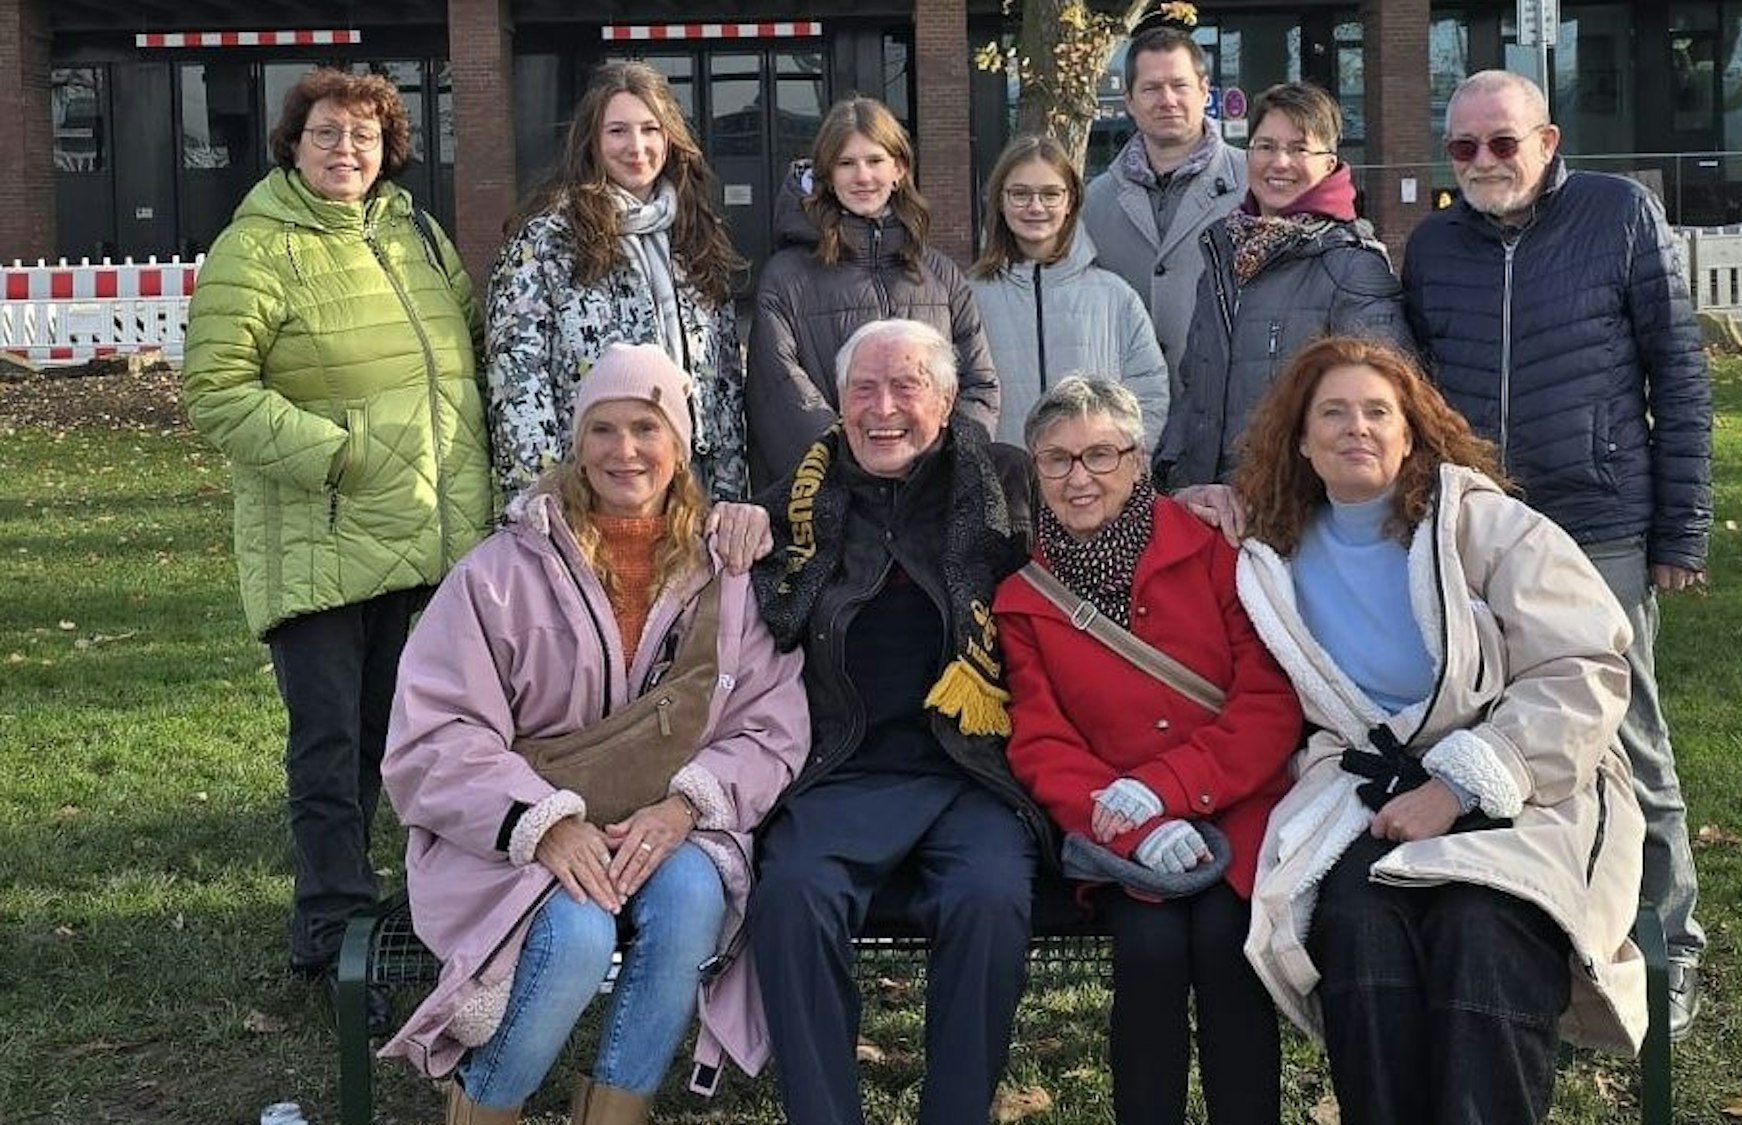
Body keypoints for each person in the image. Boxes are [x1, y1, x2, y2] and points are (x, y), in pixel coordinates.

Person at [378, 344, 810, 1124]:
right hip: (511, 830)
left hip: (670, 820)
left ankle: (613, 1113)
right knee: (576, 936)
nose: (625, 450)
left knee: (692, 898)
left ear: (679, 445)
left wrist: (685, 806)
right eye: (602, 429)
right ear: (577, 445)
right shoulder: (500, 572)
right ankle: (483, 1105)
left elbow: (770, 723)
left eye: (647, 428)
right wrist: (542, 824)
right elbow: (432, 734)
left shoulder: (726, 571)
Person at [1231, 337, 1648, 1124]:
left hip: (1525, 780)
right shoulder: (1271, 550)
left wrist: (1460, 783)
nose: (1357, 427)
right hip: (1370, 788)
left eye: (1377, 411)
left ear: (1411, 432)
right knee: (1357, 925)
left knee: (1482, 927)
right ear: (1300, 439)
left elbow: (1584, 664)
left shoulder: (1483, 525)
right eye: (1333, 412)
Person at [1402, 68, 1713, 1038]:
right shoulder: (1433, 247)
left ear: (1547, 141)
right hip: (1481, 529)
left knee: (1626, 733)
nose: (1484, 161)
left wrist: (1681, 529)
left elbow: (1678, 375)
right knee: (1498, 728)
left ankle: (1670, 943)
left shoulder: (1617, 216)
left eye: (1503, 142)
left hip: (1597, 520)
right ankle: (1542, 929)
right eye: (1463, 147)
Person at [180, 67, 490, 998]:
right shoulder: (256, 246)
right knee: (328, 745)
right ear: (294, 143)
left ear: (387, 148)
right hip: (318, 534)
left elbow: (468, 349)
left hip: (419, 532)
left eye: (363, 135)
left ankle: (390, 907)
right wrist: (337, 454)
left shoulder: (415, 233)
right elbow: (217, 390)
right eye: (326, 133)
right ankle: (330, 929)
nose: (345, 150)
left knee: (394, 737)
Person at [746, 318, 1046, 1125]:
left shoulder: (1006, 485)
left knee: (989, 897)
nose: (883, 408)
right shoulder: (792, 501)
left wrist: (1210, 498)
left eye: (906, 386)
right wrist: (726, 524)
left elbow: (1110, 513)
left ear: (945, 402)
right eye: (863, 389)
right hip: (841, 768)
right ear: (839, 402)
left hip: (969, 771)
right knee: (791, 897)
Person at [994, 376, 1300, 1125]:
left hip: (1234, 802)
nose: (1079, 477)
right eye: (1057, 459)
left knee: (1229, 942)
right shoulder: (1024, 597)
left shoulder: (1213, 551)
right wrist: (1134, 824)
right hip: (1119, 825)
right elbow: (1041, 739)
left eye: (1101, 454)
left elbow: (1268, 702)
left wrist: (1168, 788)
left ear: (1138, 461)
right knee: (1150, 949)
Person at [486, 61, 749, 505]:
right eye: (618, 131)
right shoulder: (546, 242)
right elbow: (517, 383)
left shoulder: (696, 237)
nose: (637, 146)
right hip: (589, 488)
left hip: (688, 487)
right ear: (592, 141)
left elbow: (722, 385)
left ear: (670, 137)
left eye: (650, 129)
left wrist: (728, 497)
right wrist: (541, 499)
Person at [1156, 81, 1412, 494]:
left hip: (1297, 506)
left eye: (1298, 149)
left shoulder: (1353, 266)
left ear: (1329, 164)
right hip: (1210, 505)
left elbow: (1382, 404)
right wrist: (1176, 477)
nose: (1279, 162)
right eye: (1265, 146)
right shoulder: (1223, 257)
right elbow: (1194, 389)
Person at [746, 97, 1001, 487]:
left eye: (875, 160)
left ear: (899, 168)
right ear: (827, 174)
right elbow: (780, 392)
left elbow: (978, 383)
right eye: (846, 163)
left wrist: (943, 466)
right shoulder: (786, 277)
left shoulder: (940, 275)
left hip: (931, 496)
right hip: (833, 495)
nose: (863, 176)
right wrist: (852, 473)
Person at [969, 136, 1168, 447]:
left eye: (1051, 194)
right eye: (1020, 194)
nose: (1036, 207)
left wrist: (1124, 461)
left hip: (1092, 474)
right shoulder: (969, 297)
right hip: (1000, 474)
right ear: (999, 201)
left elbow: (1149, 390)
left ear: (1070, 201)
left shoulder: (1115, 297)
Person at [1083, 26, 1248, 377]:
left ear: (1204, 91)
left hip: (1228, 398)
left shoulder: (1254, 185)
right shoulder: (1095, 202)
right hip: (1129, 398)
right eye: (1151, 88)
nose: (1167, 100)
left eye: (1179, 85)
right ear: (1129, 101)